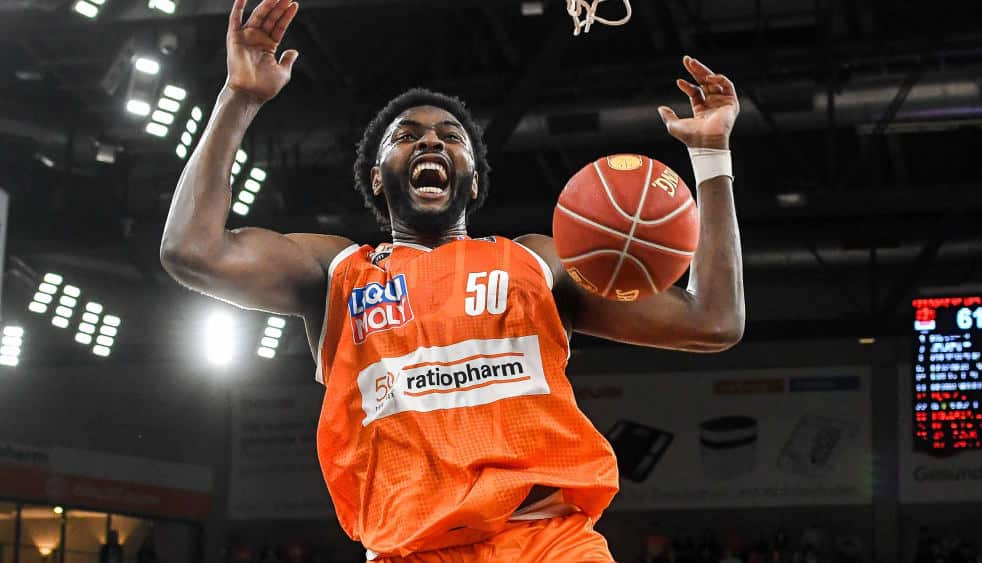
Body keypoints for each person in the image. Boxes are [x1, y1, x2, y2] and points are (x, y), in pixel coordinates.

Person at [159, 0, 745, 560]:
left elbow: (713, 321)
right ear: (378, 177)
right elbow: (192, 250)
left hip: (545, 544)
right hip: (409, 552)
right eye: (406, 136)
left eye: (451, 137)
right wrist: (238, 97)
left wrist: (712, 156)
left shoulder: (537, 263)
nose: (431, 140)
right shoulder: (337, 271)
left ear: (473, 178)